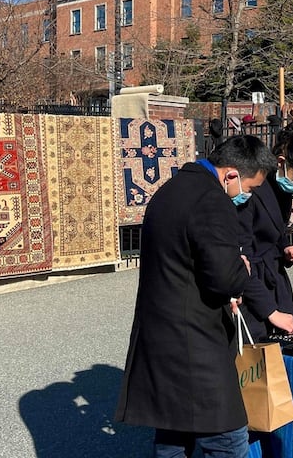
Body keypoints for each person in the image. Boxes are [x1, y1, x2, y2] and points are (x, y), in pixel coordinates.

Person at [115, 135, 277, 458]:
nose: (248, 195)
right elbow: (224, 279)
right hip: (196, 343)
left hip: (161, 337)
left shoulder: (169, 190)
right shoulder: (212, 201)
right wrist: (242, 268)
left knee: (173, 438)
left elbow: (186, 262)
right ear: (231, 174)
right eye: (250, 188)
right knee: (227, 438)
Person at [237, 124, 293, 339]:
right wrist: (270, 311)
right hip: (253, 284)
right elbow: (243, 252)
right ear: (281, 162)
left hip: (272, 277)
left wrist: (286, 248)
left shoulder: (282, 191)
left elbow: (274, 231)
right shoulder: (252, 188)